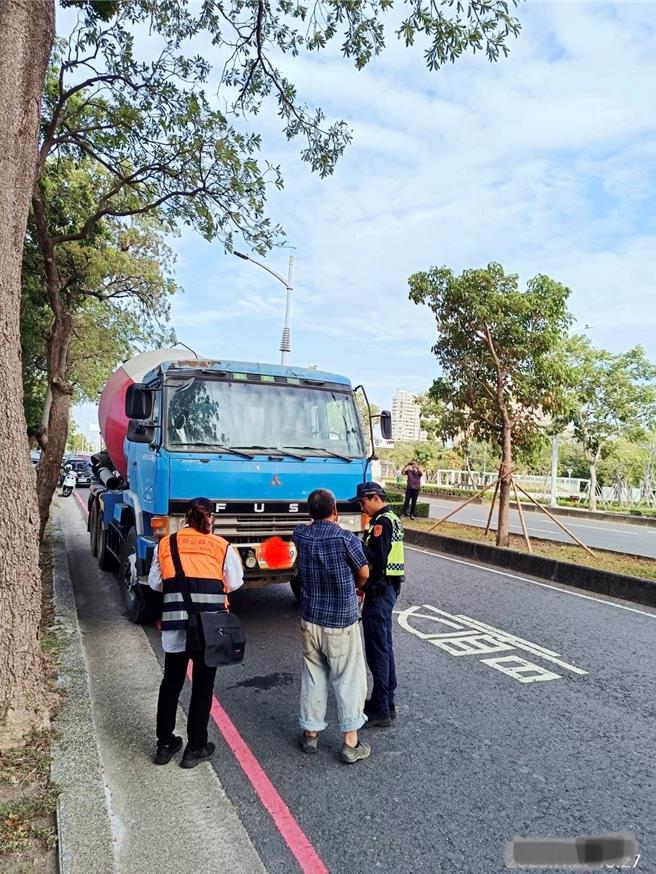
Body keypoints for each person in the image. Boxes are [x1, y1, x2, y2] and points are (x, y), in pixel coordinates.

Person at [148, 497, 244, 768]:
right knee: (203, 686)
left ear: (185, 519)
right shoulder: (222, 546)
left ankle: (165, 744)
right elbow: (235, 583)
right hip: (209, 628)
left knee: (171, 683)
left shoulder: (166, 543)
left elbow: (156, 583)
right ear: (210, 518)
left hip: (175, 623)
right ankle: (195, 748)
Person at [292, 488, 371, 764]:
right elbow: (364, 572)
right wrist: (356, 588)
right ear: (335, 510)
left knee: (313, 675)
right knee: (348, 678)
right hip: (340, 620)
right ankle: (351, 743)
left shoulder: (300, 534)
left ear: (309, 512)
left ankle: (310, 734)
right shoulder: (345, 538)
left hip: (309, 618)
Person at [351, 481, 404, 728]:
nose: (362, 508)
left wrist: (356, 545)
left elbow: (377, 558)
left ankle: (382, 706)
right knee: (384, 646)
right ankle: (386, 700)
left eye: (363, 503)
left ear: (374, 498)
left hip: (380, 591)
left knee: (377, 649)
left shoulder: (383, 522)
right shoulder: (389, 518)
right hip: (387, 590)